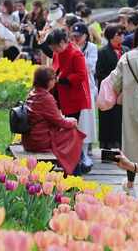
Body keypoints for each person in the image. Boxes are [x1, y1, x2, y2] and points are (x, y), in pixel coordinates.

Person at [102, 22, 138, 196]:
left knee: (131, 146)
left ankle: (130, 184)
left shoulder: (127, 58)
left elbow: (116, 82)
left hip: (132, 108)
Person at [21, 66, 84, 175]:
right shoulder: (46, 97)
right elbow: (61, 123)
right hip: (40, 141)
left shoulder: (32, 93)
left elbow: (52, 118)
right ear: (48, 82)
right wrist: (72, 121)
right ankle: (72, 173)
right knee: (74, 133)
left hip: (30, 139)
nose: (55, 80)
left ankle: (73, 168)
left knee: (72, 133)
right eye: (54, 78)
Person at [47, 28, 92, 173]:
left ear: (62, 42)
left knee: (72, 129)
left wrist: (65, 79)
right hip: (59, 92)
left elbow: (81, 75)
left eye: (55, 47)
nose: (54, 50)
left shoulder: (76, 53)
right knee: (62, 126)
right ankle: (69, 157)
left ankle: (77, 160)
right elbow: (55, 67)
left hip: (72, 96)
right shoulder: (58, 52)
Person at [71, 22, 97, 162]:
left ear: (86, 36)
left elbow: (90, 66)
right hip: (73, 88)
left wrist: (78, 54)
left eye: (79, 36)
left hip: (88, 87)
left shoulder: (91, 48)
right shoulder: (70, 47)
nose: (76, 39)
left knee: (87, 121)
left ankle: (85, 152)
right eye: (74, 36)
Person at [96, 24, 123, 154]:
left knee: (120, 120)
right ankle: (106, 150)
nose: (122, 36)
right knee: (107, 119)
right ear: (112, 36)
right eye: (119, 34)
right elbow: (99, 72)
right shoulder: (102, 52)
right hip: (108, 91)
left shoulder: (126, 50)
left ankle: (121, 149)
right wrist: (113, 82)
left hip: (123, 92)